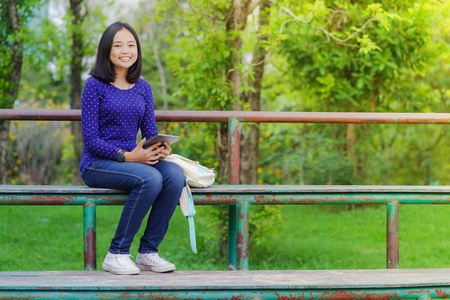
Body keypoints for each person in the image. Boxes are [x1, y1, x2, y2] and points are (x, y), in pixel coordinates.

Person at [80, 21, 185, 275]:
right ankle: (116, 253)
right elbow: (90, 139)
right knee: (150, 178)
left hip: (134, 160)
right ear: (107, 50)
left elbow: (150, 132)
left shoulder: (143, 87)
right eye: (118, 45)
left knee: (174, 175)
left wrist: (160, 147)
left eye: (130, 44)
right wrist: (126, 156)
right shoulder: (94, 85)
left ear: (137, 50)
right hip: (98, 163)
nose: (125, 50)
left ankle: (148, 252)